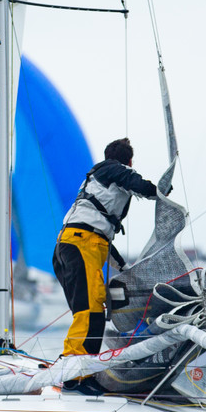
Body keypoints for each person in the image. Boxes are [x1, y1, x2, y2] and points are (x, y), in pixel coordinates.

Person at [53, 138, 161, 357]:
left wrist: (124, 267)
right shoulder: (115, 169)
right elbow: (140, 185)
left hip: (68, 245)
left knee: (86, 308)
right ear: (129, 161)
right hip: (81, 245)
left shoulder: (96, 181)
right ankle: (76, 366)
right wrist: (161, 191)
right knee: (90, 309)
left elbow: (101, 238)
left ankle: (76, 362)